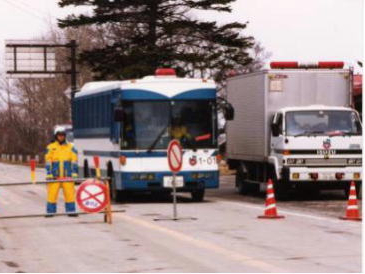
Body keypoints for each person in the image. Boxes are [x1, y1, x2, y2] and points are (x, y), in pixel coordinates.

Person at [45, 126, 78, 217]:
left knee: (70, 194)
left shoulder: (71, 147)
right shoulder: (51, 147)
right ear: (56, 136)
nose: (61, 137)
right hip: (54, 176)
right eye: (59, 135)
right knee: (52, 194)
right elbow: (48, 161)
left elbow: (74, 161)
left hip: (67, 175)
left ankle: (71, 211)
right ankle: (50, 212)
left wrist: (74, 173)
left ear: (65, 136)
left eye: (63, 135)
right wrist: (49, 174)